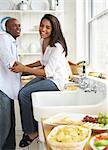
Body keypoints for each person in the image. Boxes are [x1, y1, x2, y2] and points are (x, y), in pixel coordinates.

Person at [11, 14, 71, 148]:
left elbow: (47, 71)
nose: (43, 29)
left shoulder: (57, 47)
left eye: (47, 27)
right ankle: (31, 129)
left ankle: (31, 132)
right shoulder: (44, 41)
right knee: (23, 91)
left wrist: (24, 68)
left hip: (57, 81)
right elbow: (42, 62)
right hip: (47, 77)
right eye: (42, 25)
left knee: (24, 94)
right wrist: (24, 67)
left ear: (54, 29)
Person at [0, 18, 21, 150]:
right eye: (14, 26)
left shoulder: (12, 42)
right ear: (7, 28)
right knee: (3, 128)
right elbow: (11, 64)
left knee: (10, 128)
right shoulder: (3, 39)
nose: (18, 28)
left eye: (19, 25)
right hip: (2, 90)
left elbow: (17, 68)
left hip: (9, 91)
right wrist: (37, 71)